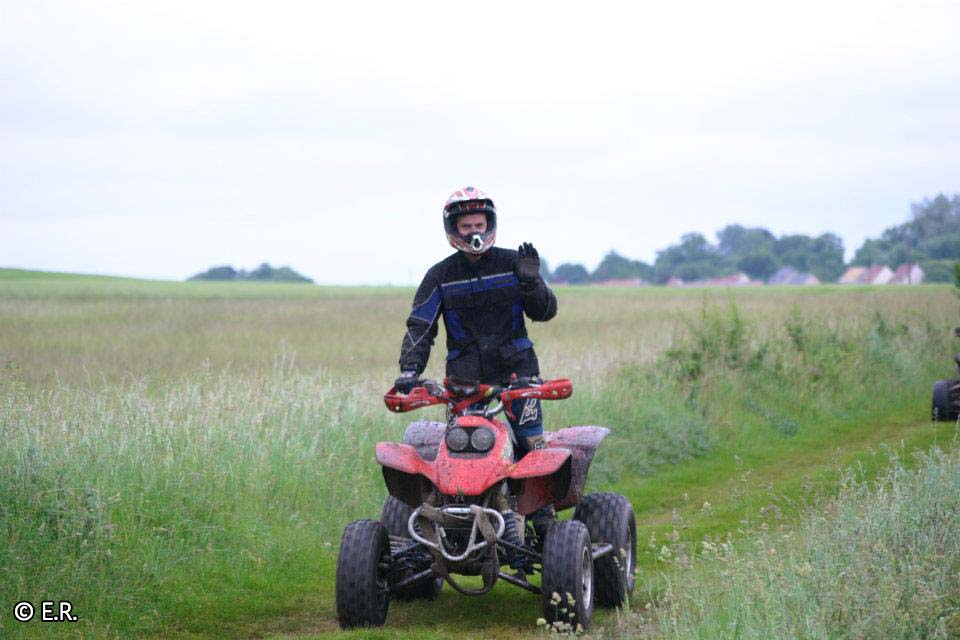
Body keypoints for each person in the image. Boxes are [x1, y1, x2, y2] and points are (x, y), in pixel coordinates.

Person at [395, 186, 558, 541]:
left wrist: (532, 283)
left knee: (531, 443)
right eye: (466, 226)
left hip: (518, 374)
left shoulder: (514, 264)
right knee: (462, 449)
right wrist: (410, 369)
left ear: (490, 224)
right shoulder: (439, 275)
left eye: (479, 225)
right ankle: (458, 523)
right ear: (453, 230)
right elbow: (421, 325)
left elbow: (546, 312)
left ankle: (544, 521)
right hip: (465, 381)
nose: (474, 233)